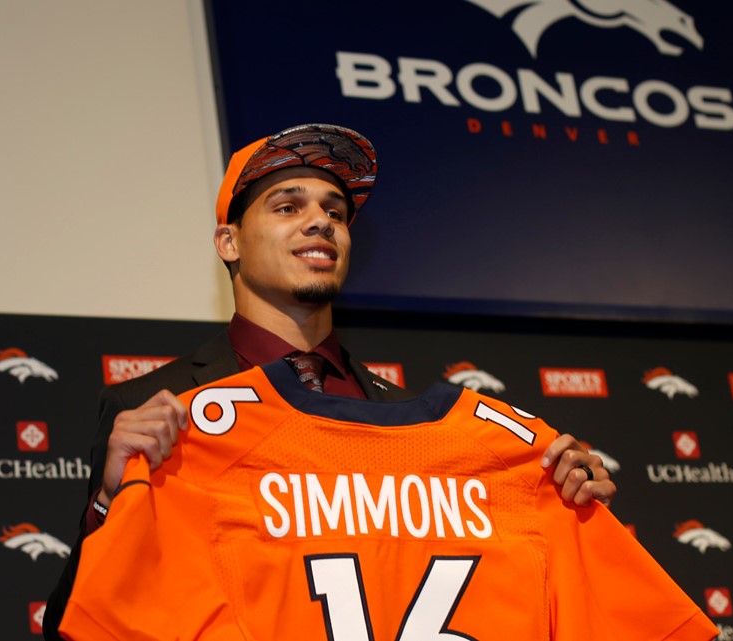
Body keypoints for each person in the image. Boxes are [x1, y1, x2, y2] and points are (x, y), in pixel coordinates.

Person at [42, 123, 615, 638]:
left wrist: (567, 497)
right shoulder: (152, 407)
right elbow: (76, 624)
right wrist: (111, 502)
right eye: (287, 207)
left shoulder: (417, 422)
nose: (321, 221)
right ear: (229, 243)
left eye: (335, 212)